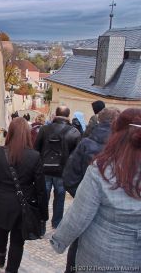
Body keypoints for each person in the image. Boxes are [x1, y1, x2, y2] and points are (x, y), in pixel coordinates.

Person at [50, 108, 141, 271]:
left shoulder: (102, 171)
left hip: (100, 258)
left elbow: (79, 215)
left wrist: (59, 241)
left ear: (116, 135)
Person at [0, 117, 48, 273]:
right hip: (22, 204)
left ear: (10, 132)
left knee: (2, 229)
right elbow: (41, 189)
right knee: (17, 241)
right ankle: (11, 270)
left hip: (1, 201)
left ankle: (0, 255)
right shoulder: (34, 156)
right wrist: (43, 214)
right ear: (27, 134)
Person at [61, 107, 120, 273]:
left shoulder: (86, 143)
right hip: (112, 217)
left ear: (99, 121)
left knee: (78, 247)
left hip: (85, 212)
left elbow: (69, 178)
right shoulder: (124, 148)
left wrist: (84, 197)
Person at [34, 105, 81, 229]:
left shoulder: (44, 129)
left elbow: (36, 149)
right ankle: (57, 224)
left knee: (43, 197)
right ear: (68, 116)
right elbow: (76, 156)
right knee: (60, 198)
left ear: (55, 114)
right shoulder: (74, 132)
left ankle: (41, 225)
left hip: (44, 170)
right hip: (62, 172)